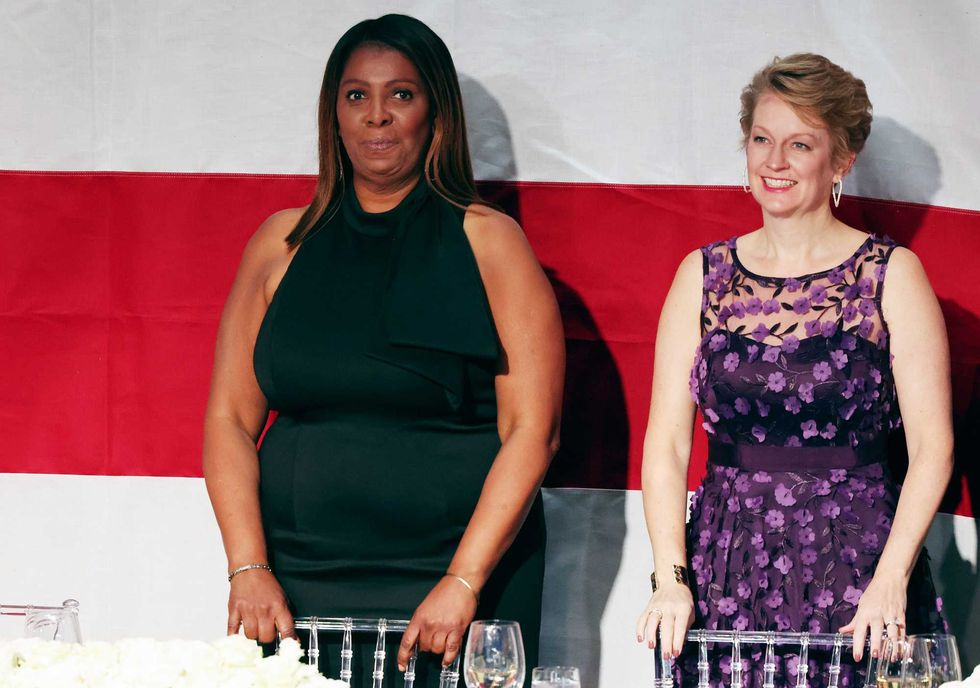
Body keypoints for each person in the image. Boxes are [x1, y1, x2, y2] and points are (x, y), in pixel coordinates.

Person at [202, 14, 564, 687]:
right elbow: (227, 420)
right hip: (294, 583)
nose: (377, 117)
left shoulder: (490, 242)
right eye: (356, 95)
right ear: (333, 113)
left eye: (401, 95)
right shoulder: (281, 244)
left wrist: (464, 579)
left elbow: (531, 432)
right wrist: (248, 568)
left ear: (436, 113)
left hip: (455, 581)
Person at [635, 53, 950, 686]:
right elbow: (666, 445)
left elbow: (933, 449)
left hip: (860, 564)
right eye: (762, 139)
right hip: (725, 564)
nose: (774, 162)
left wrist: (891, 580)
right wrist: (670, 577)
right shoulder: (702, 275)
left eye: (799, 143)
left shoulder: (891, 274)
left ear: (840, 159)